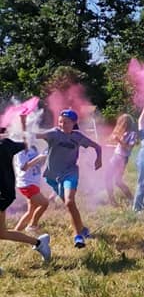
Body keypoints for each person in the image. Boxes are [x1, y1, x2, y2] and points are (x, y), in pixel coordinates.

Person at [36, 109, 102, 248]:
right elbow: (38, 135)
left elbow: (97, 146)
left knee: (69, 202)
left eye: (66, 122)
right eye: (60, 122)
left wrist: (99, 159)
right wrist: (24, 129)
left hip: (70, 173)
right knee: (70, 206)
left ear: (74, 123)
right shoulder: (54, 133)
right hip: (52, 176)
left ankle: (78, 237)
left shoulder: (78, 137)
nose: (62, 124)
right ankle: (82, 229)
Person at [0, 117, 51, 263]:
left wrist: (23, 123)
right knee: (2, 233)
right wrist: (22, 123)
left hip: (3, 194)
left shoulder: (4, 144)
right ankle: (40, 244)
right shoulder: (7, 143)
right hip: (6, 193)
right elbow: (26, 144)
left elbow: (26, 145)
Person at [14, 141, 49, 233]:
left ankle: (16, 232)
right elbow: (24, 167)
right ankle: (32, 226)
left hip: (34, 182)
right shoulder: (21, 150)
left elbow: (38, 165)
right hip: (26, 184)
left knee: (31, 210)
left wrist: (44, 158)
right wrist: (39, 157)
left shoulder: (33, 148)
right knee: (44, 203)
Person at [106, 114, 137, 205]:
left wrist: (119, 140)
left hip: (122, 159)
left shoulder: (132, 134)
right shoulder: (123, 132)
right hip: (116, 157)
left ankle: (132, 199)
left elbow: (128, 148)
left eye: (122, 122)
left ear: (127, 123)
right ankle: (112, 200)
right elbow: (118, 147)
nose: (120, 124)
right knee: (107, 178)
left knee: (117, 181)